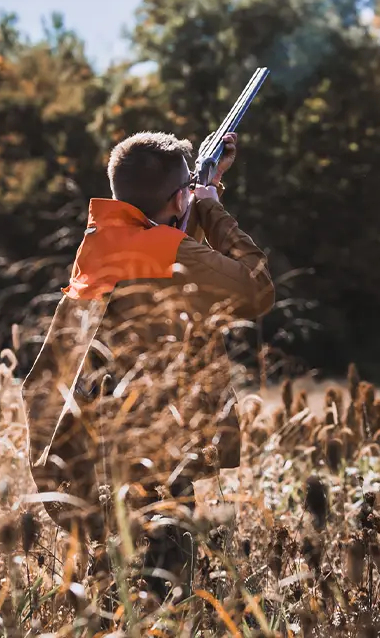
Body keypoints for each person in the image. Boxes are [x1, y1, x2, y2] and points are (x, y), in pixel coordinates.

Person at [19, 130, 274, 580]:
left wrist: (192, 196)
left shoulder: (100, 241)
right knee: (167, 587)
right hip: (158, 447)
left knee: (110, 581)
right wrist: (210, 202)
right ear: (178, 199)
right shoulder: (167, 249)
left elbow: (167, 252)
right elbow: (257, 289)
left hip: (95, 448)